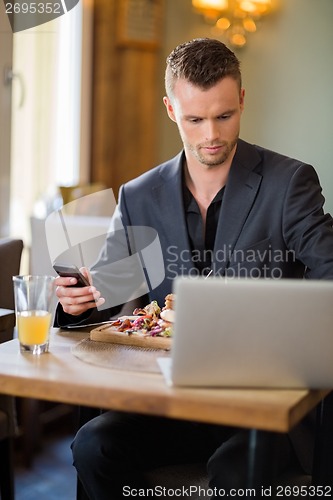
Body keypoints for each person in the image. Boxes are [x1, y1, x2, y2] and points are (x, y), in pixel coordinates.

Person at [55, 38, 333, 498]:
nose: (211, 135)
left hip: (260, 409)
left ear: (242, 100)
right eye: (194, 119)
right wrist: (79, 301)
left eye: (224, 116)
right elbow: (108, 298)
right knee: (93, 447)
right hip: (168, 402)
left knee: (233, 470)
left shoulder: (290, 183)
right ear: (170, 109)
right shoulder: (138, 196)